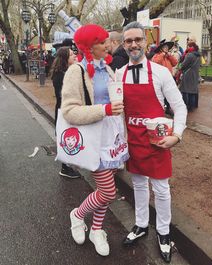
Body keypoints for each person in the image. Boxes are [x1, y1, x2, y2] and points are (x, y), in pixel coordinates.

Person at [116, 22, 187, 263]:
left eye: (137, 39)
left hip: (157, 142)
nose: (133, 44)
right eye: (128, 41)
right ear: (124, 44)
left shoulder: (160, 72)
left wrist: (176, 135)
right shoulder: (120, 74)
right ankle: (141, 224)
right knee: (138, 185)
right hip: (134, 142)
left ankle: (164, 233)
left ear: (145, 41)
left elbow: (179, 107)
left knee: (161, 190)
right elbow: (119, 112)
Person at [61, 24, 128, 256]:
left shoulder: (107, 70)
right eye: (102, 42)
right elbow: (69, 111)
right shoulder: (76, 72)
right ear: (89, 47)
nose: (108, 44)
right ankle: (77, 215)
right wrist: (105, 110)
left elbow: (115, 103)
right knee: (108, 192)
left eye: (107, 41)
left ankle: (97, 229)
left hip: (112, 139)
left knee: (106, 188)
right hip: (93, 140)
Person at [51, 46, 80, 178]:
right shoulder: (59, 74)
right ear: (64, 58)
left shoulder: (68, 71)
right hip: (63, 111)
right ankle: (65, 168)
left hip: (69, 109)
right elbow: (61, 95)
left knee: (71, 136)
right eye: (71, 54)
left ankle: (69, 165)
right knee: (65, 136)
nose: (74, 55)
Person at [178, 42, 201, 112]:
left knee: (185, 91)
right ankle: (191, 107)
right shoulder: (198, 55)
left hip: (188, 75)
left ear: (191, 47)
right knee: (192, 92)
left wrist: (180, 67)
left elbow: (183, 65)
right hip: (195, 75)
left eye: (188, 46)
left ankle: (185, 106)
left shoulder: (189, 55)